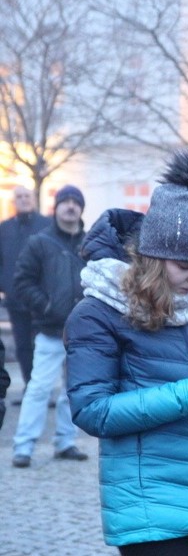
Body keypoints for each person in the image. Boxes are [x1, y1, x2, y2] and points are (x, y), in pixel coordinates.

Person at [64, 149, 188, 555]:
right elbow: (92, 411)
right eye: (183, 264)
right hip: (146, 502)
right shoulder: (97, 312)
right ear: (154, 256)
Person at [11, 185, 88, 468]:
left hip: (83, 332)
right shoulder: (39, 242)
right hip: (50, 330)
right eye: (65, 201)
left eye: (75, 202)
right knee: (39, 388)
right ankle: (23, 446)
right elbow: (22, 281)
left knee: (74, 389)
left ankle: (66, 442)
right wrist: (46, 306)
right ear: (55, 207)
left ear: (81, 208)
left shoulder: (91, 243)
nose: (70, 206)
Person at [0, 185, 51, 391]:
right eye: (19, 197)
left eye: (26, 196)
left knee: (42, 344)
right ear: (14, 201)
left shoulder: (47, 225)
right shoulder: (4, 228)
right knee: (22, 346)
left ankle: (42, 388)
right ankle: (30, 386)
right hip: (14, 299)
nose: (23, 200)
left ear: (33, 199)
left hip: (41, 298)